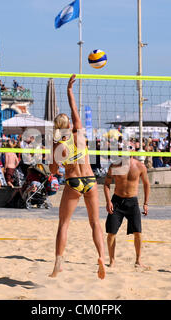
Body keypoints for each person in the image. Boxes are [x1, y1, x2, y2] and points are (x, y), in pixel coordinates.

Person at [48, 74, 106, 279]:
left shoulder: (57, 144)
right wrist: (69, 91)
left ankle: (58, 263)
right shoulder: (79, 132)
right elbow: (74, 110)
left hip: (73, 181)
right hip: (90, 180)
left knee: (63, 223)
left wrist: (55, 166)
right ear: (69, 124)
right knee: (95, 223)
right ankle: (101, 256)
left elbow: (53, 171)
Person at [103, 154, 150, 268]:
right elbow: (106, 184)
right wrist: (108, 201)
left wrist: (145, 203)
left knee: (138, 232)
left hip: (132, 202)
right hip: (117, 201)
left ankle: (138, 260)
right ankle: (112, 261)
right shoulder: (114, 166)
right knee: (111, 233)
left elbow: (146, 184)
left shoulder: (140, 166)